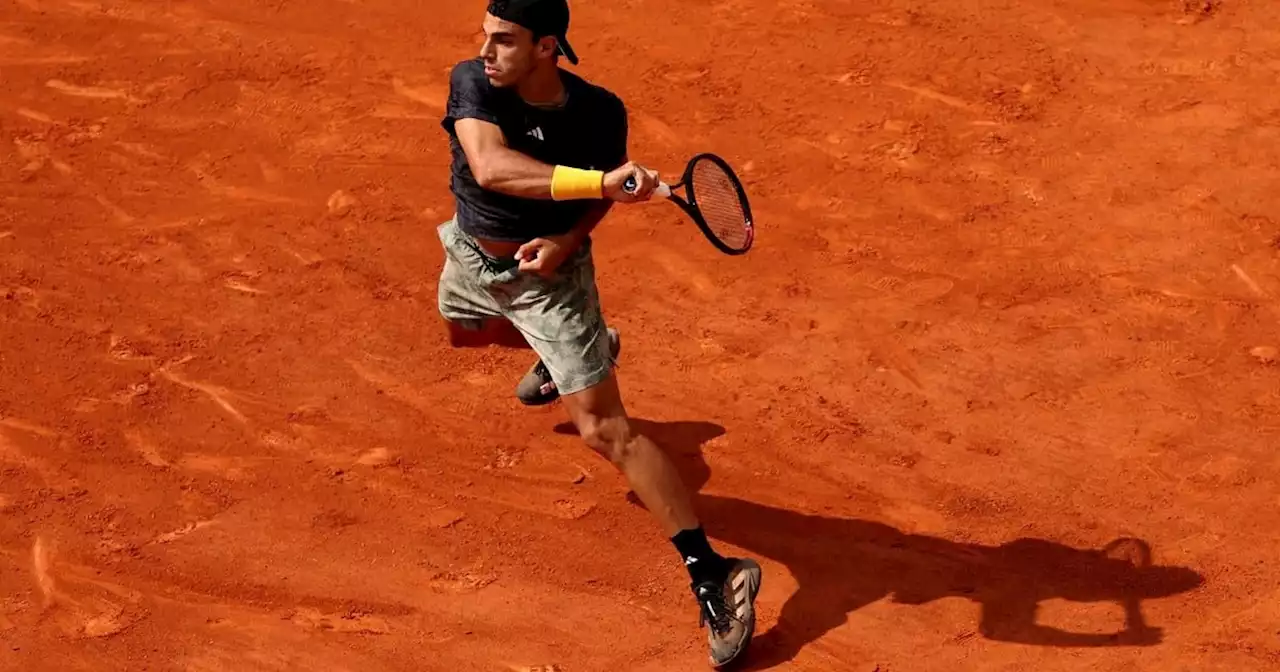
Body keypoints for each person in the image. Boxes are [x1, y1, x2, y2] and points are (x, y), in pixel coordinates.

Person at [434, 0, 762, 667]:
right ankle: (566, 360)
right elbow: (491, 167)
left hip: (552, 283)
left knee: (605, 429)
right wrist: (604, 181)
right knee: (464, 334)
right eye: (485, 36)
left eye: (504, 39)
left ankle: (714, 573)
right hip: (471, 257)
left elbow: (594, 204)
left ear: (547, 47)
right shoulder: (472, 80)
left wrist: (564, 238)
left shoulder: (599, 114)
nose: (486, 49)